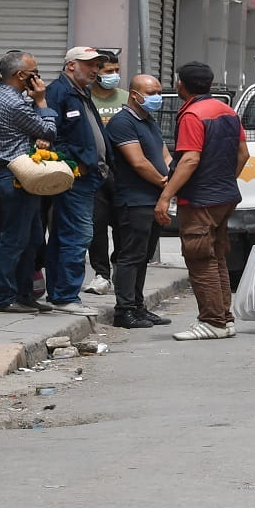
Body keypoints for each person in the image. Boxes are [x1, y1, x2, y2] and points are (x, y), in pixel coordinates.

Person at [158, 62, 249, 341]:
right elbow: (242, 155)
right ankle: (224, 318)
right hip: (225, 195)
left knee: (199, 258)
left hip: (200, 199)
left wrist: (165, 196)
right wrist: (224, 180)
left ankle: (212, 321)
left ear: (181, 85)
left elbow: (190, 159)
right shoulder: (228, 112)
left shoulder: (192, 115)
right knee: (216, 256)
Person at [0, 51, 57, 315]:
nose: (38, 76)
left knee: (31, 238)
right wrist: (42, 101)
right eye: (34, 71)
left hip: (15, 175)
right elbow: (47, 129)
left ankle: (24, 294)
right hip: (15, 175)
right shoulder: (15, 103)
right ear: (21, 75)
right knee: (14, 240)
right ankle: (2, 297)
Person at [38, 47, 109, 317]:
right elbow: (50, 134)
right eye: (89, 64)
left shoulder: (81, 92)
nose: (95, 70)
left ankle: (60, 293)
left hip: (88, 176)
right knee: (78, 235)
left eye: (97, 65)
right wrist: (72, 163)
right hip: (74, 178)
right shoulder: (58, 93)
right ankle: (66, 295)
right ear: (71, 66)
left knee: (65, 234)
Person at [104, 74, 173, 329]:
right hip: (134, 200)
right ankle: (124, 310)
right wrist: (165, 184)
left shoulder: (148, 120)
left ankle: (139, 307)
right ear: (135, 95)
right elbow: (138, 162)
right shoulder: (123, 122)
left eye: (158, 92)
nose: (157, 97)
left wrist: (170, 181)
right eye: (151, 92)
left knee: (143, 256)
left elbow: (164, 154)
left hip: (153, 199)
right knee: (130, 256)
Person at [83, 50, 128, 297]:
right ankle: (101, 274)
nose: (114, 76)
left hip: (123, 172)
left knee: (123, 224)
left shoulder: (127, 98)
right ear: (96, 72)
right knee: (96, 224)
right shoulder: (85, 98)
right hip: (95, 172)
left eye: (116, 71)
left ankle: (120, 266)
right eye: (108, 71)